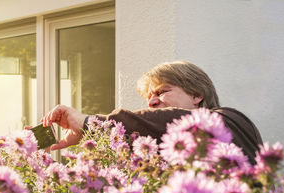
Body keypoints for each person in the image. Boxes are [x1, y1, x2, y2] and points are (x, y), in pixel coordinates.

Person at [42, 61, 262, 164]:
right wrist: (87, 135)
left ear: (197, 95)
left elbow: (166, 121)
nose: (152, 102)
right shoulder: (163, 143)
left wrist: (88, 122)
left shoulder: (230, 119)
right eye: (148, 97)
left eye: (161, 92)